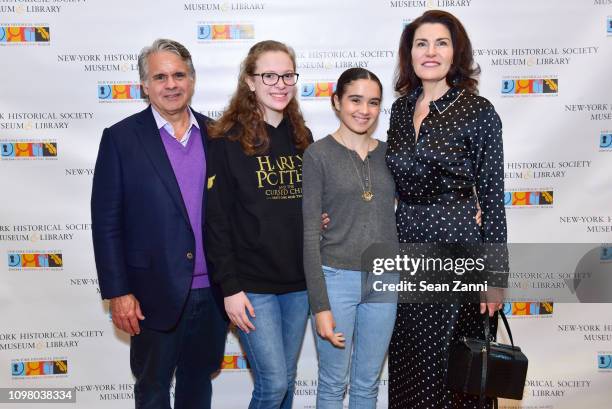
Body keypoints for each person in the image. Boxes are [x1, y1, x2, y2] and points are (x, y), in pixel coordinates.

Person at [91, 38, 227, 409]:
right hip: (152, 293)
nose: (171, 84)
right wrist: (118, 292)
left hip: (213, 292)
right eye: (160, 77)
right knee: (152, 388)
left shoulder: (219, 136)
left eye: (179, 75)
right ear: (145, 85)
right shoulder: (120, 139)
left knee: (198, 384)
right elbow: (106, 223)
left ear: (193, 80)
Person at [385, 10, 507, 409]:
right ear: (410, 54)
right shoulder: (401, 110)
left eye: (441, 43)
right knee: (408, 359)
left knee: (452, 365)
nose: (431, 52)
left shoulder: (478, 110)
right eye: (421, 43)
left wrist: (494, 275)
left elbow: (491, 197)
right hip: (407, 249)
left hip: (456, 245)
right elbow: (391, 180)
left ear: (457, 52)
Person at [205, 40, 312, 409]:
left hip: (299, 285)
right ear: (250, 81)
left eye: (287, 75)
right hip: (252, 288)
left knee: (287, 380)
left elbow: (308, 207)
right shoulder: (226, 140)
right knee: (273, 383)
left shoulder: (302, 138)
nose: (280, 83)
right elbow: (215, 222)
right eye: (269, 75)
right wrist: (230, 289)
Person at [302, 68, 398, 409]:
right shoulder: (317, 155)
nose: (364, 110)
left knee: (367, 384)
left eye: (373, 102)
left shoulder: (391, 154)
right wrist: (321, 306)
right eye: (355, 100)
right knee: (332, 384)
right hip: (336, 278)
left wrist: (467, 206)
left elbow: (423, 199)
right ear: (336, 102)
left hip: (385, 279)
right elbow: (310, 233)